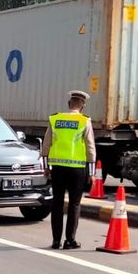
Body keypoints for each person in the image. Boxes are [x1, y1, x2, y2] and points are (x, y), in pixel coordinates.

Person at [42, 90, 96, 250]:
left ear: (69, 104)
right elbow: (90, 147)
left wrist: (46, 166)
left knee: (57, 204)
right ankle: (70, 240)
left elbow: (46, 145)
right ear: (82, 107)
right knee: (74, 204)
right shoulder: (84, 121)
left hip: (57, 168)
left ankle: (56, 241)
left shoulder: (55, 118)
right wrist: (92, 172)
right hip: (77, 170)